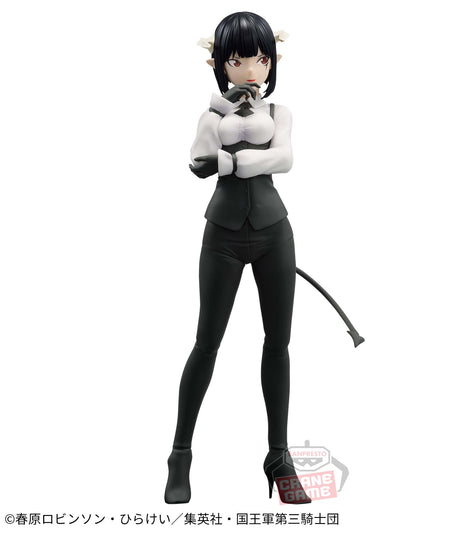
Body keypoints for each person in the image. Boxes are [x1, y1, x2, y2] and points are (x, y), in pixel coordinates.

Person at [164, 11, 311, 504]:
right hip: (223, 237)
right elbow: (197, 161)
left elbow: (283, 159)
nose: (251, 69)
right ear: (220, 63)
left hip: (274, 233)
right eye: (239, 59)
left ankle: (278, 455)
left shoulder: (280, 113)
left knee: (278, 343)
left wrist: (233, 161)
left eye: (261, 59)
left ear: (272, 61)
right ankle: (180, 454)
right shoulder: (212, 117)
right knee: (206, 342)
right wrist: (221, 129)